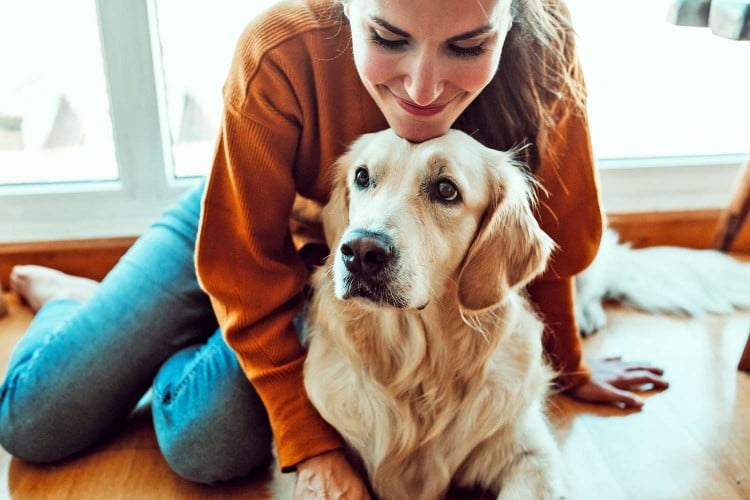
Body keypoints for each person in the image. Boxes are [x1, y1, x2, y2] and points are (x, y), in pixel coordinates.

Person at [1, 0, 669, 497]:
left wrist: (569, 365)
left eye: (467, 47)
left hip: (341, 269)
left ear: (511, 21)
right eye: (387, 37)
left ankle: (160, 330)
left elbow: (540, 234)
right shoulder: (281, 49)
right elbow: (241, 264)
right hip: (239, 230)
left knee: (206, 444)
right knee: (34, 420)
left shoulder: (544, 54)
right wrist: (311, 445)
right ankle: (81, 305)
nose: (424, 88)